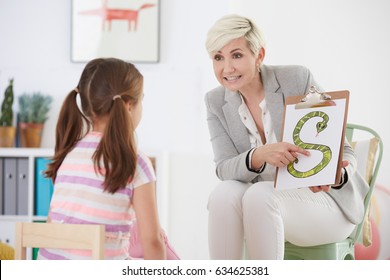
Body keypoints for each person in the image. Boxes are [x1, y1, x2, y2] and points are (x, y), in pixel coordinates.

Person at [204, 14, 369, 259]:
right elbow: (225, 168)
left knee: (259, 196)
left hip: (325, 203)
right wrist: (258, 155)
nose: (226, 68)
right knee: (223, 194)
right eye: (218, 57)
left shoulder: (296, 79)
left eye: (236, 55)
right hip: (262, 206)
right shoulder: (216, 101)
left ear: (259, 55)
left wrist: (337, 174)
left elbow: (345, 152)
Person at [38, 58, 179, 260]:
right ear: (129, 106)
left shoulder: (68, 154)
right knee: (165, 247)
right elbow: (152, 242)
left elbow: (52, 223)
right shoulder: (136, 163)